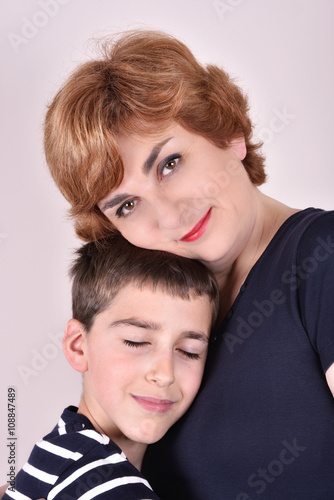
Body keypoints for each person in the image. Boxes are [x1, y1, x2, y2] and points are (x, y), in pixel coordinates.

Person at [40, 29, 334, 498]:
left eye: (170, 163)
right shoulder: (161, 312)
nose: (170, 216)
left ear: (229, 133)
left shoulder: (322, 258)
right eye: (127, 205)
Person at [3, 233, 219, 499]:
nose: (164, 374)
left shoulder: (60, 449)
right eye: (136, 341)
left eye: (189, 351)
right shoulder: (113, 487)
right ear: (78, 346)